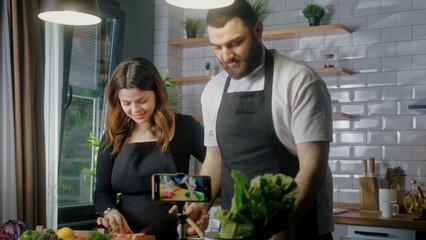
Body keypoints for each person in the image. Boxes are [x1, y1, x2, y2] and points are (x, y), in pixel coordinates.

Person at [186, 0, 334, 239]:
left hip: (297, 228)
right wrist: (198, 204)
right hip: (237, 230)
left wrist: (281, 227)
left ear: (258, 30)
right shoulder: (213, 90)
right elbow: (214, 158)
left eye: (235, 43)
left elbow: (312, 169)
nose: (226, 56)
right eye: (217, 47)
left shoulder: (299, 81)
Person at [93, 57, 206, 240]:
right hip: (128, 235)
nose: (135, 109)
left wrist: (192, 200)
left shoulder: (186, 128)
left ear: (157, 93)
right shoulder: (113, 135)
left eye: (142, 100)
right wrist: (110, 211)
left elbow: (218, 165)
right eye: (126, 103)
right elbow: (102, 192)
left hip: (175, 234)